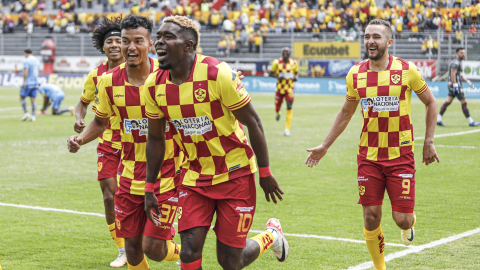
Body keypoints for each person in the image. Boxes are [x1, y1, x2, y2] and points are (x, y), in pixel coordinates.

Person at [144, 15, 289, 270]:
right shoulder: (153, 85)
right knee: (188, 252)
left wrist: (264, 173)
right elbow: (155, 138)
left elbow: (253, 123)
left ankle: (271, 236)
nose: (159, 42)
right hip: (194, 176)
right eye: (158, 37)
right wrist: (149, 187)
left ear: (188, 45)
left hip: (235, 174)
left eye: (168, 37)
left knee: (231, 261)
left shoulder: (217, 73)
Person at [305, 19, 440, 270]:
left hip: (401, 155)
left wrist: (429, 141)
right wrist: (325, 145)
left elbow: (431, 103)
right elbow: (346, 113)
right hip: (369, 156)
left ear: (389, 42)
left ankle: (409, 223)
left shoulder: (407, 71)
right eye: (367, 36)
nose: (370, 41)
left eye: (376, 37)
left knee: (402, 220)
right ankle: (380, 268)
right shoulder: (355, 74)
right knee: (370, 217)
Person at [67, 15, 182, 270]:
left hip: (166, 173)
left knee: (152, 248)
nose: (130, 47)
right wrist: (81, 139)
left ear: (150, 44)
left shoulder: (168, 77)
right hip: (129, 172)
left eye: (137, 41)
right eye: (125, 41)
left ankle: (187, 252)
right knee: (132, 250)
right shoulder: (107, 80)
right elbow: (100, 120)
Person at [72, 17, 128, 268]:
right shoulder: (97, 75)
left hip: (138, 143)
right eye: (109, 41)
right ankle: (123, 249)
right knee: (109, 197)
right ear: (103, 47)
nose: (114, 44)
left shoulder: (143, 68)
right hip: (107, 141)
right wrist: (79, 119)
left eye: (119, 40)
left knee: (144, 196)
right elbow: (82, 102)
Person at [437, 48, 480, 127]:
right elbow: (453, 74)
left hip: (452, 86)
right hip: (455, 86)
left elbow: (460, 74)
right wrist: (456, 85)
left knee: (448, 102)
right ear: (457, 53)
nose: (463, 54)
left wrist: (468, 82)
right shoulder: (456, 62)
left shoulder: (459, 62)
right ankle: (470, 121)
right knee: (464, 102)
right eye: (461, 53)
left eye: (464, 53)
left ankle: (438, 119)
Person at [269, 47, 299, 136]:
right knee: (277, 106)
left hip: (290, 88)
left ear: (290, 53)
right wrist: (278, 77)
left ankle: (287, 129)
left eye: (287, 51)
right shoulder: (276, 62)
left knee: (289, 106)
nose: (285, 53)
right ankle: (278, 111)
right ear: (282, 53)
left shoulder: (294, 63)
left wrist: (296, 77)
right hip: (279, 88)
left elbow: (296, 72)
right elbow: (271, 73)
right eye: (284, 51)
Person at [20, 48, 40, 122]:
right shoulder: (37, 60)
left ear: (25, 53)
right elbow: (39, 70)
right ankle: (33, 116)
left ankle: (26, 113)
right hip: (35, 83)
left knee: (22, 97)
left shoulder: (26, 60)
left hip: (28, 82)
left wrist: (24, 81)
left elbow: (26, 70)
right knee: (33, 99)